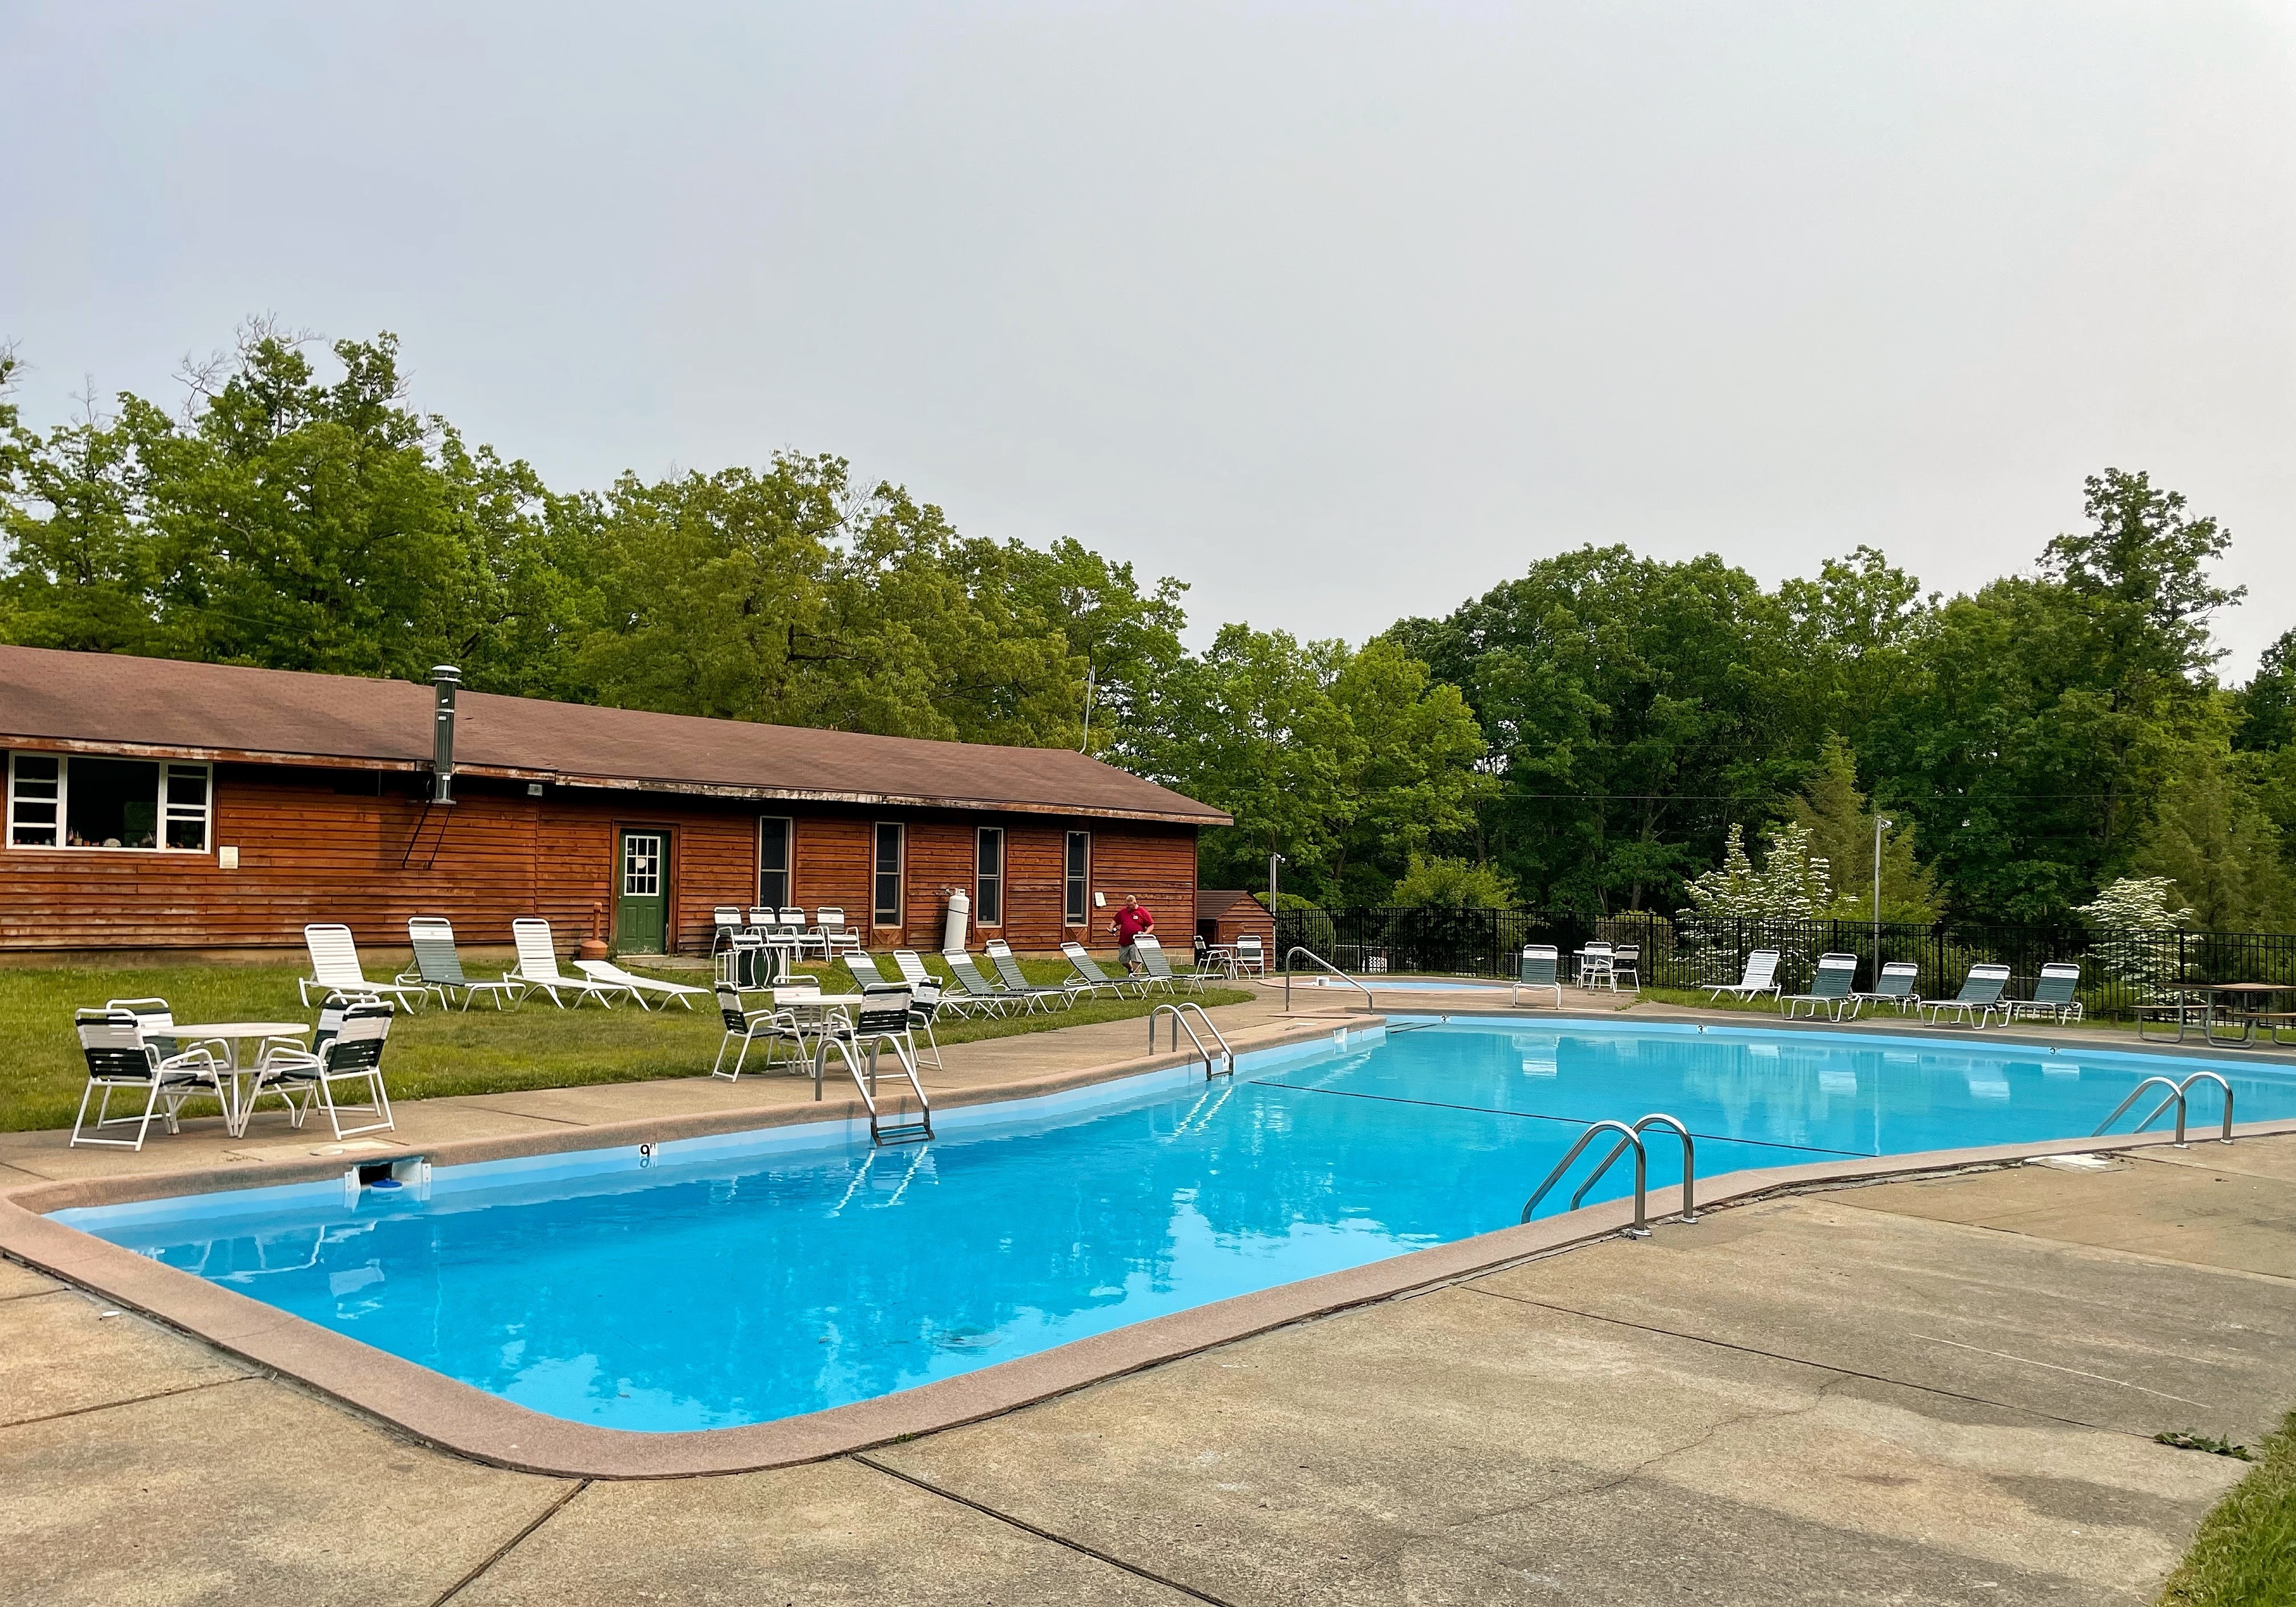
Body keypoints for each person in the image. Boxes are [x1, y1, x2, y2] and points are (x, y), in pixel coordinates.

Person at [1112, 895, 1154, 973]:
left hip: (1136, 941)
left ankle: (1135, 980)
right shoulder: (1123, 912)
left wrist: (1145, 934)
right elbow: (1115, 920)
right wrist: (1111, 928)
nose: (1127, 907)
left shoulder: (1142, 912)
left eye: (1129, 905)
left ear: (1135, 903)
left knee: (1136, 961)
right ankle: (1131, 969)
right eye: (1126, 905)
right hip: (1124, 942)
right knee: (1123, 961)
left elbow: (1151, 925)